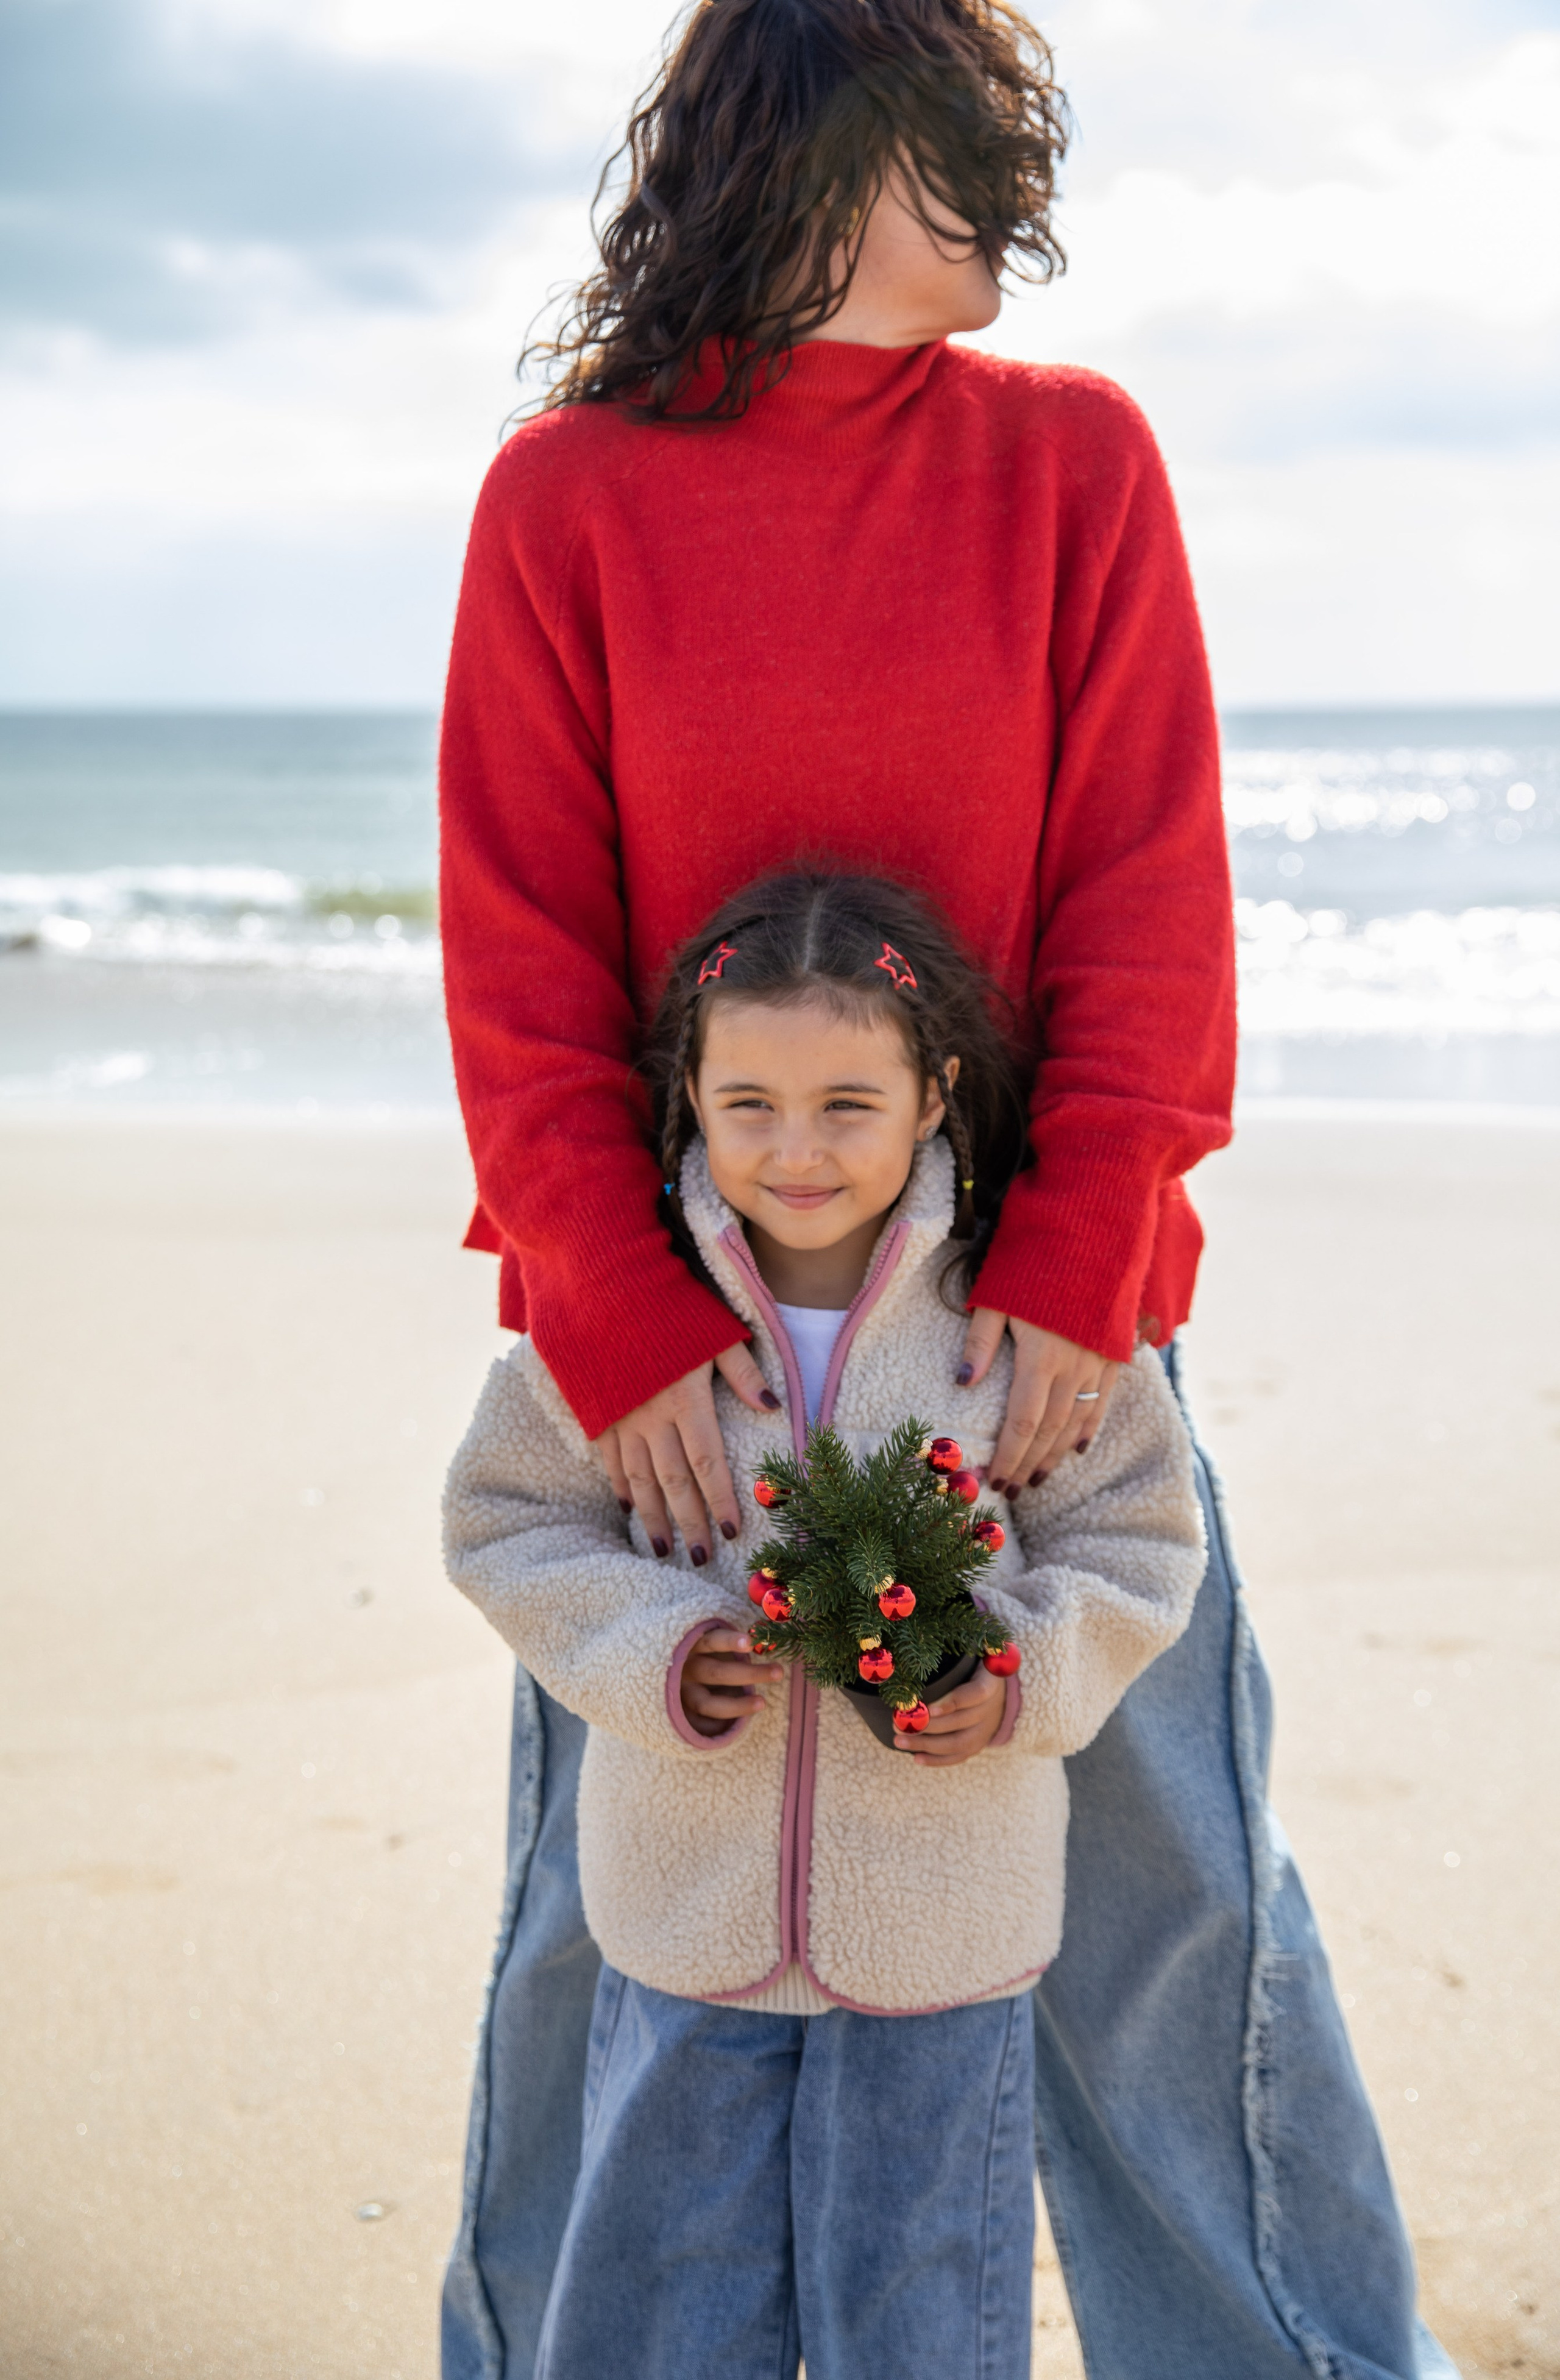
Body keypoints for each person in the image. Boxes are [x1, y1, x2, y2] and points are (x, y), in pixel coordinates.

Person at [437, 2, 1456, 2373]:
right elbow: (516, 951)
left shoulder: (1069, 461)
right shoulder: (568, 498)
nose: (1015, 195)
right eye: (967, 146)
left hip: (1038, 1337)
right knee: (601, 1917)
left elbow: (1143, 896)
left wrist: (1087, 1274)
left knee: (1163, 1900)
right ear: (814, 148)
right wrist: (609, 1323)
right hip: (671, 1346)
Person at [442, 876, 1208, 2378]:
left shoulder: (1015, 1326)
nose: (794, 1151)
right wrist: (651, 1649)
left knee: (914, 2314)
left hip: (944, 1935)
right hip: (682, 1922)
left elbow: (1135, 1544)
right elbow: (504, 1523)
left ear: (933, 1097)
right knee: (660, 2314)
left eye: (846, 1103)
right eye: (750, 1105)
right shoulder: (627, 1320)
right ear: (691, 1098)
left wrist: (1019, 1676)